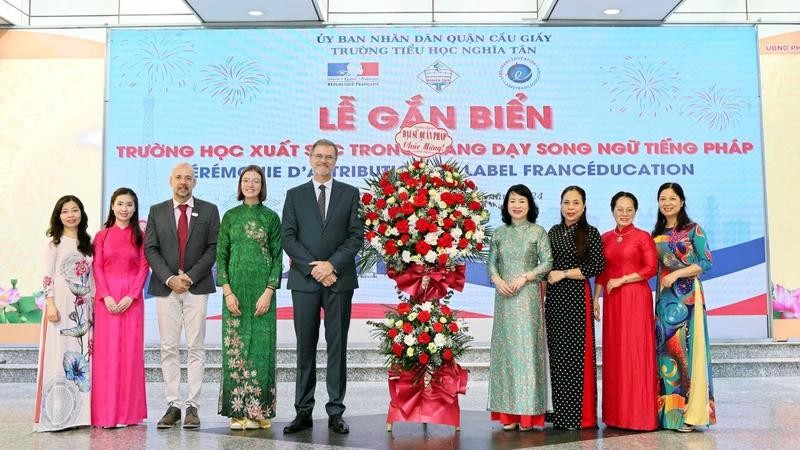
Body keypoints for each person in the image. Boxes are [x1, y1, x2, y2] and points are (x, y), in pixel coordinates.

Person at [282, 139, 362, 435]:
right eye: (319, 156)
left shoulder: (350, 194)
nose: (324, 161)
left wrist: (332, 266)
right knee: (305, 347)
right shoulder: (295, 195)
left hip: (339, 280)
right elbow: (288, 237)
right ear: (310, 157)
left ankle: (335, 411)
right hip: (305, 281)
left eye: (329, 157)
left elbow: (356, 236)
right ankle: (302, 411)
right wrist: (316, 269)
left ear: (336, 160)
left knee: (337, 347)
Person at [145, 162, 220, 429]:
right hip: (166, 288)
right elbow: (151, 249)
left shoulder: (209, 210)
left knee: (196, 347)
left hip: (196, 287)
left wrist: (189, 277)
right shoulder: (156, 211)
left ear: (195, 182)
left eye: (188, 178)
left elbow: (213, 248)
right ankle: (174, 404)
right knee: (168, 347)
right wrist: (169, 278)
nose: (183, 182)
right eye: (178, 177)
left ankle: (193, 407)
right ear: (170, 181)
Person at [216, 165, 282, 430]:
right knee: (236, 349)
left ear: (262, 185)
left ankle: (258, 412)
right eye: (246, 180)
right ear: (240, 184)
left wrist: (269, 291)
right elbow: (221, 256)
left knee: (260, 351)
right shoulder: (230, 217)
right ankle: (236, 412)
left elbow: (278, 258)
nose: (251, 185)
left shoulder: (271, 217)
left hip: (262, 294)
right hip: (235, 295)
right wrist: (227, 291)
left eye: (256, 181)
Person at [487, 185, 553, 431]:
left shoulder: (538, 232)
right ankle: (507, 414)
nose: (516, 205)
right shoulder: (499, 233)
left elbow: (547, 262)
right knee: (506, 354)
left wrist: (526, 277)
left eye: (521, 201)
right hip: (504, 298)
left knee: (527, 353)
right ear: (506, 205)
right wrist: (497, 280)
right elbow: (491, 263)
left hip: (527, 298)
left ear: (529, 206)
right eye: (512, 201)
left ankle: (528, 415)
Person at [651, 182, 715, 432]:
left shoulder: (693, 230)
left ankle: (692, 413)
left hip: (688, 300)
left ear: (681, 201)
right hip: (664, 302)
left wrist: (677, 275)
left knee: (687, 354)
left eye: (672, 198)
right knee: (666, 355)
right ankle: (670, 416)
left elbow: (706, 263)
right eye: (663, 199)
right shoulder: (655, 233)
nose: (667, 203)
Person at [593, 192, 658, 431]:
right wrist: (596, 299)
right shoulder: (605, 238)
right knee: (616, 354)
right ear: (612, 211)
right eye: (620, 209)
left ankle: (639, 416)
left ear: (635, 211)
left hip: (635, 299)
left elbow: (651, 268)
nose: (624, 213)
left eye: (629, 209)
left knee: (636, 353)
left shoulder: (643, 237)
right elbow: (601, 271)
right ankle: (616, 415)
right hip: (612, 301)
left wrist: (622, 280)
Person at [545, 185, 604, 430]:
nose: (571, 208)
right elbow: (544, 264)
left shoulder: (591, 232)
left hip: (578, 299)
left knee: (576, 358)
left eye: (576, 203)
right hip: (555, 300)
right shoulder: (552, 232)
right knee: (557, 357)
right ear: (560, 205)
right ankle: (558, 415)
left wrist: (564, 273)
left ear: (584, 206)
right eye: (566, 203)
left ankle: (577, 417)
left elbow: (596, 266)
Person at [34, 195, 94, 431]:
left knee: (81, 355)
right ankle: (58, 413)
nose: (71, 215)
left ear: (81, 213)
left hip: (82, 306)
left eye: (75, 210)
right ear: (58, 216)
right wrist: (49, 303)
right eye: (65, 211)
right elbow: (47, 276)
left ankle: (81, 415)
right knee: (59, 355)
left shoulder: (87, 242)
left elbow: (92, 276)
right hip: (60, 304)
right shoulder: (54, 244)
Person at [91, 187, 149, 428]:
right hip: (106, 301)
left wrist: (132, 296)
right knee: (107, 356)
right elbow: (97, 268)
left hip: (131, 302)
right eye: (120, 204)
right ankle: (106, 414)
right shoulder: (101, 236)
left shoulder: (141, 237)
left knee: (130, 356)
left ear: (135, 209)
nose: (124, 209)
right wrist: (105, 297)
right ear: (112, 206)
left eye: (129, 204)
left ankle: (127, 414)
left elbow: (144, 267)